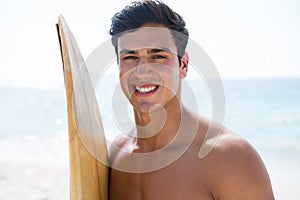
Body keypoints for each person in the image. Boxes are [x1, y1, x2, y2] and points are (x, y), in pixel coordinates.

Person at [108, 0, 274, 199]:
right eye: (130, 57)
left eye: (158, 56)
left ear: (183, 65)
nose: (142, 71)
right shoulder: (116, 156)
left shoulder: (230, 159)